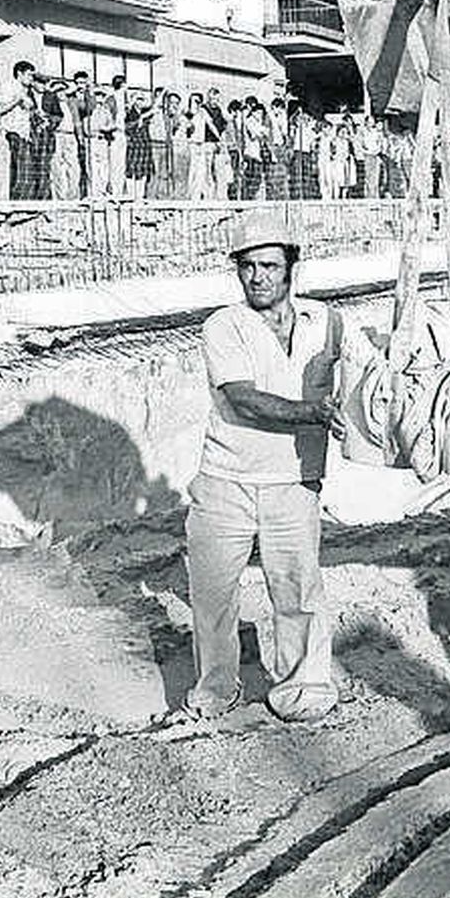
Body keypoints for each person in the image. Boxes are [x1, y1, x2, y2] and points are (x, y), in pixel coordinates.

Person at [179, 210, 345, 724]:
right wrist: (314, 414)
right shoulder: (224, 326)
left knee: (297, 591)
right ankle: (216, 690)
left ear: (292, 267)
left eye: (270, 266)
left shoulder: (327, 323)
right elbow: (244, 399)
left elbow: (363, 370)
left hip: (293, 482)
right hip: (227, 480)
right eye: (248, 266)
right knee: (212, 595)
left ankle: (305, 687)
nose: (258, 277)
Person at [0, 60, 37, 201]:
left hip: (24, 133)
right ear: (19, 74)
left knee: (25, 170)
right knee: (21, 169)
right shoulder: (9, 87)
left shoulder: (26, 91)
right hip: (13, 132)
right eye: (29, 75)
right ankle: (17, 201)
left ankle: (22, 200)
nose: (31, 79)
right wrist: (17, 100)